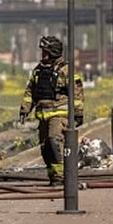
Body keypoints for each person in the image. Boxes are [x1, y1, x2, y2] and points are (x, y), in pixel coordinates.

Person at [18, 36, 84, 183]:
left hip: (59, 115)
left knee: (54, 142)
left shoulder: (66, 70)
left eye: (45, 52)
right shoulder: (38, 71)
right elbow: (30, 91)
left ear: (53, 52)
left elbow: (77, 92)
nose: (43, 55)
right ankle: (53, 176)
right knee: (45, 148)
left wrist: (78, 113)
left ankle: (62, 177)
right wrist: (24, 109)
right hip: (43, 115)